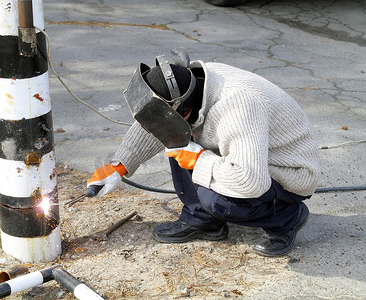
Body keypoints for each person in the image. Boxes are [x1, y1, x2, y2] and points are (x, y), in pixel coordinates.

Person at [87, 50, 320, 257]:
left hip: (286, 171)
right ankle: (202, 220)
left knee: (218, 201)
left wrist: (199, 160)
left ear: (185, 109)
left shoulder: (238, 105)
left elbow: (251, 181)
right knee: (176, 135)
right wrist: (119, 165)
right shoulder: (193, 85)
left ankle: (287, 218)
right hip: (250, 156)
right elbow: (159, 121)